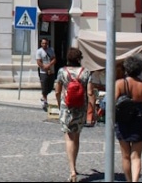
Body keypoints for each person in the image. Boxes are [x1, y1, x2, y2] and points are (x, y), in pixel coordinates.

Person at [54, 48, 94, 182]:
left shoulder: (62, 72)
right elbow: (90, 93)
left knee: (68, 139)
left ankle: (72, 171)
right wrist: (92, 110)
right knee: (76, 138)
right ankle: (74, 166)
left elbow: (57, 91)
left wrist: (60, 105)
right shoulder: (86, 72)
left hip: (67, 108)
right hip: (80, 109)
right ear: (79, 59)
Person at [115, 55, 142, 183]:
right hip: (139, 119)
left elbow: (112, 104)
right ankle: (135, 181)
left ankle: (129, 180)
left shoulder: (120, 84)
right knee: (136, 156)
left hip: (123, 120)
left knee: (125, 156)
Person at [36, 38, 56, 112]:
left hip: (51, 71)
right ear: (41, 44)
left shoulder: (51, 50)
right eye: (43, 43)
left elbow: (54, 59)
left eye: (46, 43)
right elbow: (38, 61)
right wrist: (44, 67)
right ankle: (45, 101)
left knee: (50, 87)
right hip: (43, 72)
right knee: (44, 86)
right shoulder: (39, 51)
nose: (44, 45)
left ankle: (43, 97)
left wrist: (49, 65)